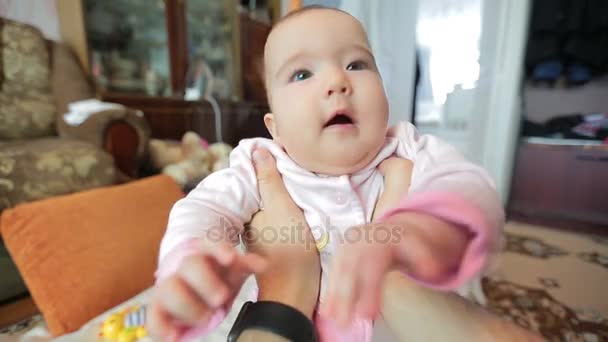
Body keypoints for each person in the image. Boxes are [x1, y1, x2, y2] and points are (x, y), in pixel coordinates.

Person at [149, 5, 504, 341]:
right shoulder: (260, 163)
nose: (337, 80)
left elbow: (470, 188)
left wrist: (420, 229)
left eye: (356, 64)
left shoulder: (409, 148)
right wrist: (190, 262)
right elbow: (204, 208)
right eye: (302, 73)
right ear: (275, 128)